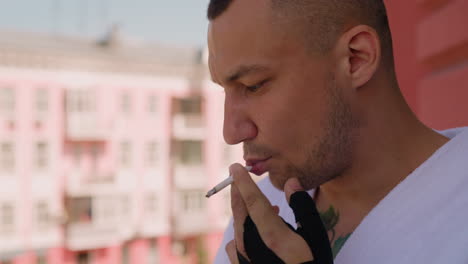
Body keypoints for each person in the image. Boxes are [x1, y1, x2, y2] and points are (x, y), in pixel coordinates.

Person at [206, 0, 468, 263]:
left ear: (357, 58)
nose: (231, 133)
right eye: (224, 90)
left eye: (253, 85)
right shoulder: (261, 218)